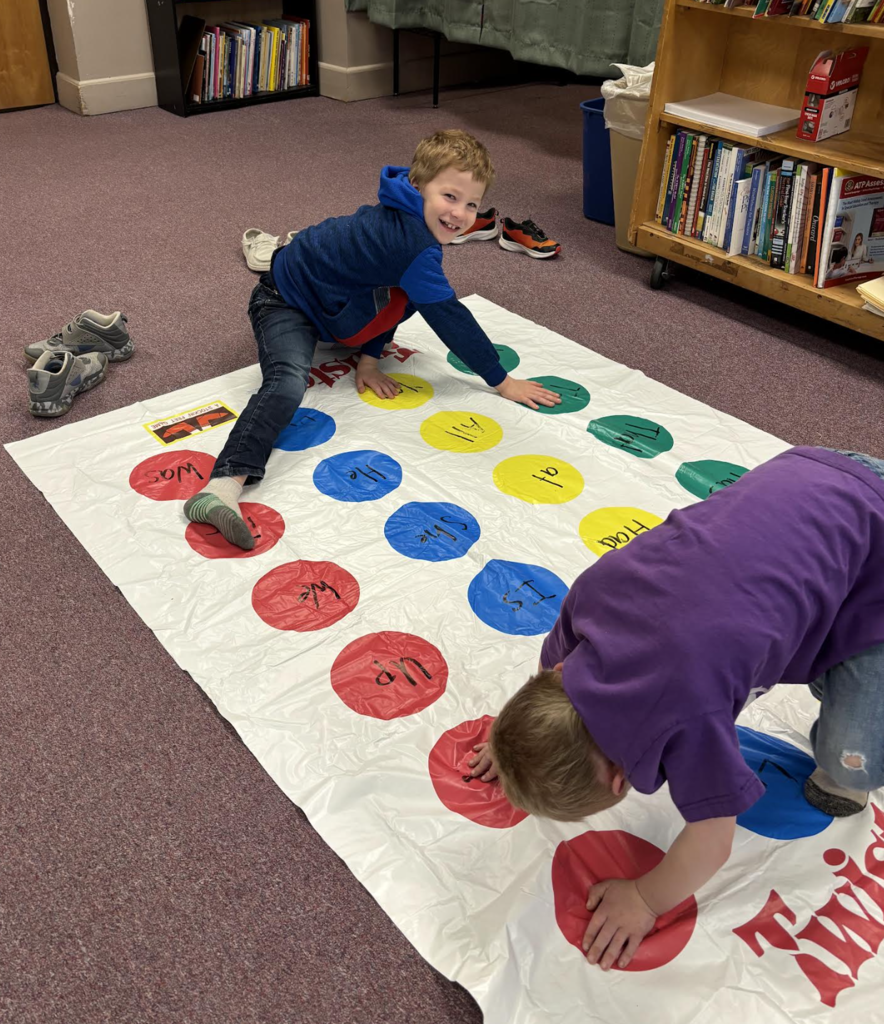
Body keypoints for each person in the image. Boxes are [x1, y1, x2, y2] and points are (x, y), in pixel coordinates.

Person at [468, 446, 884, 971]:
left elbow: (713, 838)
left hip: (876, 540)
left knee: (853, 759)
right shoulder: (592, 603)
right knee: (808, 615)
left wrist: (645, 898)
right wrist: (511, 745)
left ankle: (850, 726)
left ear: (622, 779)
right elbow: (544, 680)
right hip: (806, 472)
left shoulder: (688, 712)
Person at [184, 129, 561, 548]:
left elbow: (406, 296)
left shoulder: (409, 217)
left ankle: (358, 352)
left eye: (472, 204)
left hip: (337, 304)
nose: (460, 214)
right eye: (450, 197)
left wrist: (369, 358)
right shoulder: (412, 244)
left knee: (418, 290)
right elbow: (451, 319)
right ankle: (221, 487)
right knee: (288, 380)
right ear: (418, 187)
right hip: (283, 301)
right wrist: (502, 381)